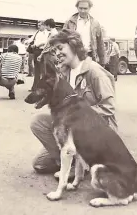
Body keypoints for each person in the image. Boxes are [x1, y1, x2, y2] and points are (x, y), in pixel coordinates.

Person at [30, 31, 116, 174]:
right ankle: (72, 162)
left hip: (95, 129)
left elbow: (109, 108)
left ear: (73, 45)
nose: (57, 53)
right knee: (39, 161)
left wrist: (75, 114)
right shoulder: (64, 72)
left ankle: (81, 162)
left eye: (60, 48)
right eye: (54, 50)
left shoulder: (94, 72)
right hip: (73, 127)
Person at [63, 0, 107, 66]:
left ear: (90, 8)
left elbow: (100, 43)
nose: (83, 11)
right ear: (77, 7)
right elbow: (62, 41)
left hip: (90, 57)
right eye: (80, 8)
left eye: (85, 8)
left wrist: (102, 61)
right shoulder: (69, 22)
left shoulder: (95, 23)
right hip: (74, 56)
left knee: (89, 76)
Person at [29, 20, 55, 91]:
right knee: (36, 70)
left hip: (42, 51)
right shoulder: (37, 32)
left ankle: (42, 87)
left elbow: (46, 43)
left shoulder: (48, 33)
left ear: (44, 25)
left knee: (43, 70)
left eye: (40, 25)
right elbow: (31, 40)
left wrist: (38, 45)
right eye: (38, 25)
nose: (38, 26)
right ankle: (35, 86)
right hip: (36, 50)